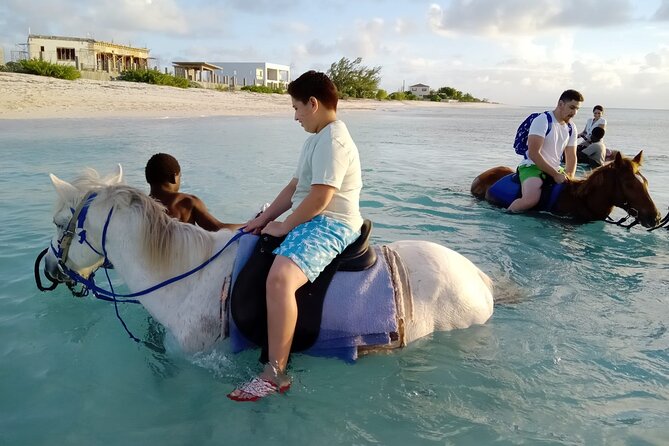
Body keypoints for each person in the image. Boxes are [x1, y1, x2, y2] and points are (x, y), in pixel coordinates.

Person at [227, 71, 363, 401]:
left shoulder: (334, 141)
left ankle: (274, 373)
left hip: (332, 223)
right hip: (313, 216)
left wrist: (285, 226)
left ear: (313, 104)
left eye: (297, 108)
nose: (295, 116)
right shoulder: (315, 139)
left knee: (280, 280)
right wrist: (263, 219)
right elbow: (294, 189)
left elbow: (320, 198)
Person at [508, 89, 583, 212]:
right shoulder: (543, 120)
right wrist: (555, 175)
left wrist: (570, 176)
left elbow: (571, 156)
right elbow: (534, 153)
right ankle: (506, 216)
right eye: (571, 107)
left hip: (557, 168)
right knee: (530, 200)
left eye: (577, 109)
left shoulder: (571, 127)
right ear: (560, 104)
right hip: (532, 166)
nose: (574, 112)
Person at [145, 153, 242, 231]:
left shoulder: (141, 206)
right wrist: (248, 224)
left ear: (148, 179)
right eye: (180, 176)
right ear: (174, 177)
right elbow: (218, 228)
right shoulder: (186, 202)